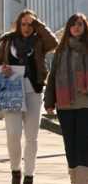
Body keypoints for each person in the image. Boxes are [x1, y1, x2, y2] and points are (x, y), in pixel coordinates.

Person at [0, 9, 57, 184]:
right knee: (13, 134)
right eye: (24, 23)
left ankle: (29, 174)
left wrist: (39, 25)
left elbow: (54, 42)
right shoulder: (8, 41)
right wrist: (1, 69)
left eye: (31, 24)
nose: (27, 27)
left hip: (33, 91)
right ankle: (15, 170)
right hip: (11, 91)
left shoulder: (40, 41)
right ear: (18, 24)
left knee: (31, 136)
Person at [44, 13, 88, 184]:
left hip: (85, 104)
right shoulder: (61, 51)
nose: (77, 27)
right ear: (69, 27)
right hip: (65, 105)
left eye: (80, 24)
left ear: (84, 28)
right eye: (73, 24)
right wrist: (49, 101)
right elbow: (53, 76)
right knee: (70, 146)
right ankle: (75, 179)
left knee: (83, 145)